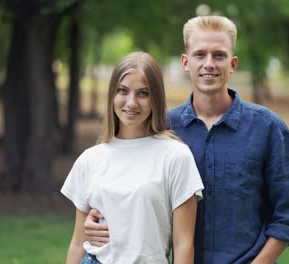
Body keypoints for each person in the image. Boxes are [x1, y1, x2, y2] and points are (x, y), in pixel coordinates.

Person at [85, 16, 289, 263]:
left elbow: (288, 216)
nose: (209, 64)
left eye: (219, 55)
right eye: (200, 54)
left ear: (232, 64)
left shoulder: (268, 128)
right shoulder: (161, 128)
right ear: (186, 62)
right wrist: (95, 217)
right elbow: (131, 192)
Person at [61, 51, 204, 264]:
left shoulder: (175, 156)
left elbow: (184, 244)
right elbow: (77, 242)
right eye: (123, 91)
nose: (131, 102)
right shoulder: (90, 159)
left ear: (156, 97)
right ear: (112, 95)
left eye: (143, 93)